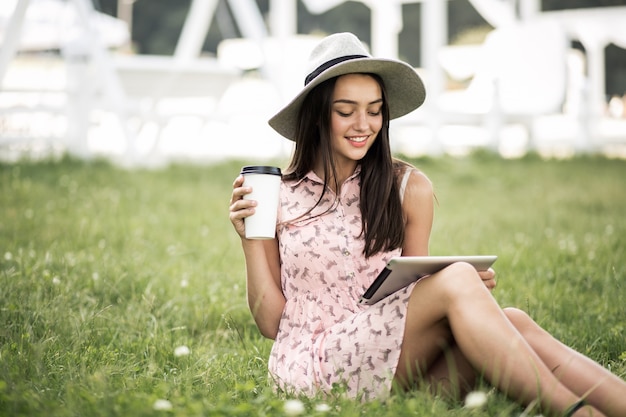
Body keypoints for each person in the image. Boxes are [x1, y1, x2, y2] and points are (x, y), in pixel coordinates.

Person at [228, 32, 626, 416]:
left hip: (395, 366)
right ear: (316, 116)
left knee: (513, 318)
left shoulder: (408, 188)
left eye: (375, 109)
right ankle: (576, 413)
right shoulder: (275, 194)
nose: (364, 124)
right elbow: (270, 323)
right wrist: (249, 240)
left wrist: (459, 289)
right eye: (346, 111)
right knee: (456, 282)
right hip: (313, 370)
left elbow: (411, 298)